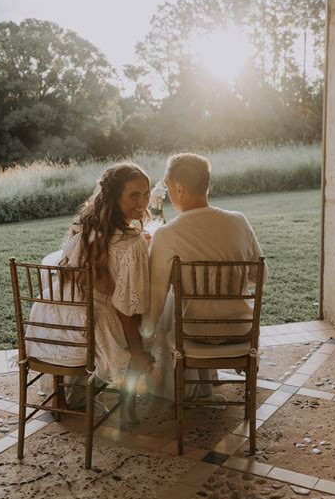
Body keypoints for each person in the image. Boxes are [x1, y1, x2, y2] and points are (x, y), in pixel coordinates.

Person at [25, 163, 154, 430]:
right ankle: (127, 407)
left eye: (146, 193)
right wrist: (138, 351)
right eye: (134, 195)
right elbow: (128, 309)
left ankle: (64, 394)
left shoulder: (83, 225)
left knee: (100, 309)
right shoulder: (132, 244)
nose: (142, 202)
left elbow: (68, 272)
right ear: (114, 197)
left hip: (51, 326)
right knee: (146, 326)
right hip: (85, 335)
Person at [143, 153, 268, 401]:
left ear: (180, 189)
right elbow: (260, 277)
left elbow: (156, 300)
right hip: (241, 331)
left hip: (192, 334)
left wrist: (143, 345)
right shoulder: (238, 221)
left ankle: (172, 388)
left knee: (168, 314)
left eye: (169, 189)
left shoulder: (167, 234)